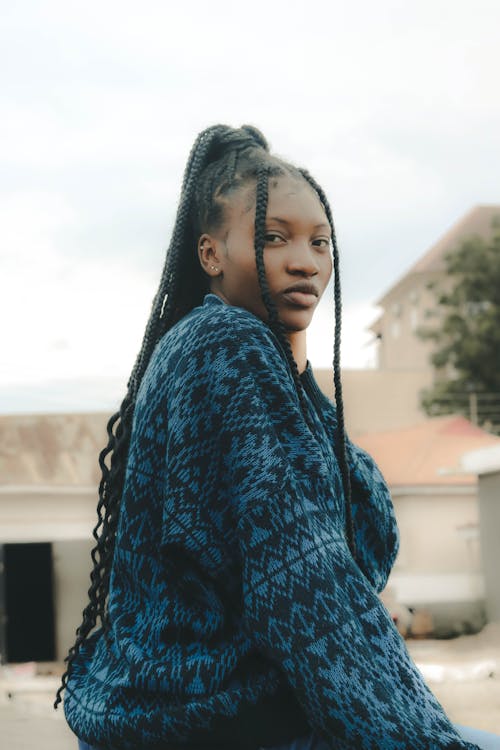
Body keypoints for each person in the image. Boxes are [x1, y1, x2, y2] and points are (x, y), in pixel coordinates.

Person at [54, 124, 499, 750]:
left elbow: (361, 528)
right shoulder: (227, 348)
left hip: (177, 712)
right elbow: (305, 582)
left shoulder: (220, 350)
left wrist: (296, 354)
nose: (305, 260)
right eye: (273, 237)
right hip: (216, 721)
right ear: (210, 254)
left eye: (320, 241)